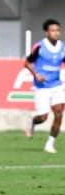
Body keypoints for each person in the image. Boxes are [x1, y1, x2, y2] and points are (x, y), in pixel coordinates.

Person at [24, 19, 65, 155]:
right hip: (42, 87)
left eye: (58, 30)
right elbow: (27, 63)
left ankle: (50, 144)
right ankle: (32, 122)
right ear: (46, 32)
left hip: (56, 85)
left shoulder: (63, 47)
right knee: (43, 117)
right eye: (53, 30)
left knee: (59, 113)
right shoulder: (39, 47)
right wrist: (36, 74)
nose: (56, 33)